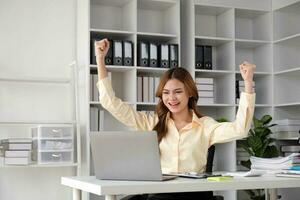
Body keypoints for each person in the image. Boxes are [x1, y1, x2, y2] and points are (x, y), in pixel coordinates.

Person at [94, 38, 256, 200]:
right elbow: (110, 102)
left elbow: (240, 129)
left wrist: (247, 83)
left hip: (192, 196)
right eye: (166, 93)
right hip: (158, 195)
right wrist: (100, 60)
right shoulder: (152, 123)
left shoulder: (205, 126)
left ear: (190, 93)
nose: (171, 98)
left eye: (178, 91)